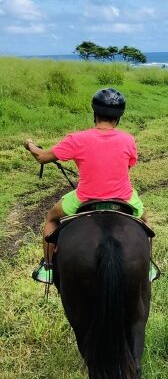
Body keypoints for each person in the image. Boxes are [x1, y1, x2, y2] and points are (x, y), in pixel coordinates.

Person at [25, 88, 155, 283]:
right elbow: (127, 165)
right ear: (119, 117)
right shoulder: (128, 140)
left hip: (84, 198)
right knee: (145, 221)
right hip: (124, 197)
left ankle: (48, 266)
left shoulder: (76, 139)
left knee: (51, 217)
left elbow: (41, 157)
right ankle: (148, 266)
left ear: (94, 113)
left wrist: (29, 144)